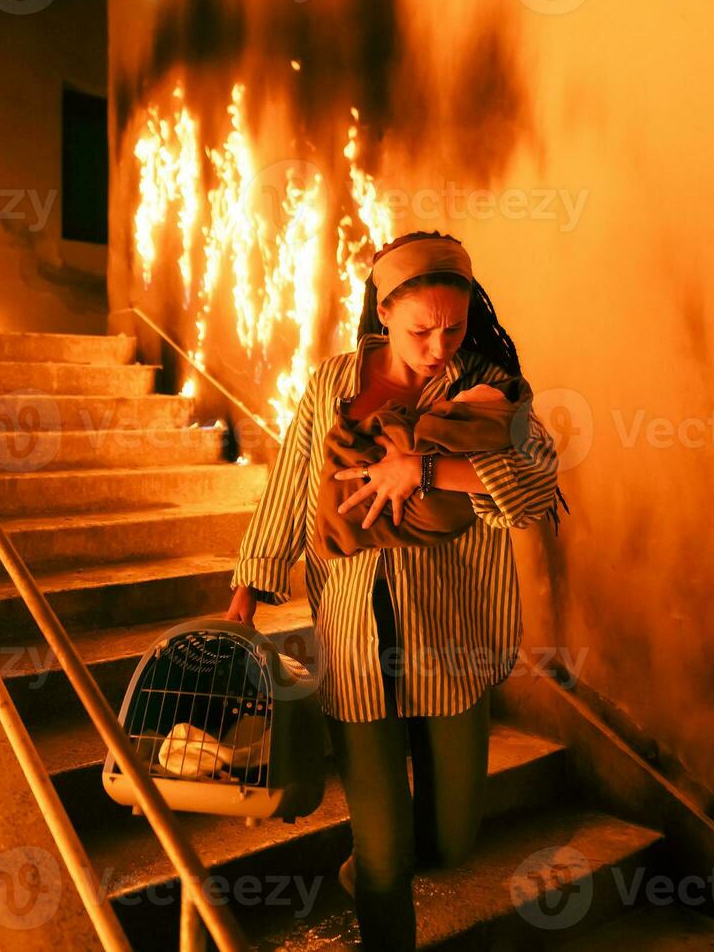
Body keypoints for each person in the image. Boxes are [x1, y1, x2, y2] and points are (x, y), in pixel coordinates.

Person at [224, 230, 564, 949]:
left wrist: (427, 472)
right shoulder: (331, 385)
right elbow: (288, 489)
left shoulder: (493, 388)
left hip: (450, 640)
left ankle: (375, 866)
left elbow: (537, 488)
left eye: (455, 327)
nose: (440, 346)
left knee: (453, 840)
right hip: (354, 641)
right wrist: (248, 590)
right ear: (384, 313)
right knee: (386, 857)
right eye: (421, 330)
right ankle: (374, 877)